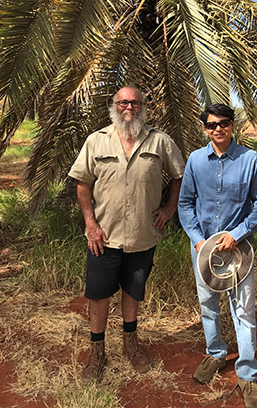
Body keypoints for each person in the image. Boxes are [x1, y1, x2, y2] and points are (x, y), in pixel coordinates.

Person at [68, 86, 185, 383]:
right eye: (123, 102)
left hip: (143, 235)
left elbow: (179, 176)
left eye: (135, 102)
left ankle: (131, 345)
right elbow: (82, 183)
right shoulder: (96, 141)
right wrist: (90, 224)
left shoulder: (160, 141)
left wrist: (169, 209)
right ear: (114, 106)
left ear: (144, 106)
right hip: (103, 237)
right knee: (99, 293)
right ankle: (97, 352)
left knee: (133, 291)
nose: (129, 107)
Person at [178, 104, 257, 408]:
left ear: (232, 126)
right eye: (212, 124)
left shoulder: (249, 159)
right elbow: (185, 204)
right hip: (204, 251)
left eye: (224, 123)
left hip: (239, 250)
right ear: (205, 128)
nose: (218, 128)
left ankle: (247, 374)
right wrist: (198, 240)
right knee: (208, 304)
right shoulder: (195, 160)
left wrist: (237, 233)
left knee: (243, 309)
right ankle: (215, 354)